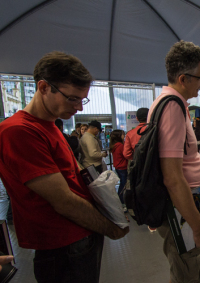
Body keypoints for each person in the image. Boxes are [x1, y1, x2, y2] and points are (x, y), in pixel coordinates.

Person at [0, 51, 128, 283]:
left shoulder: (49, 126)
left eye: (83, 99)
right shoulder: (19, 131)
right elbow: (64, 201)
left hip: (80, 237)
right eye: (72, 98)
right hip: (63, 244)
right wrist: (110, 228)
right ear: (43, 87)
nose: (79, 108)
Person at [152, 40, 200, 283]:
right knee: (187, 273)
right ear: (183, 79)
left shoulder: (172, 105)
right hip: (180, 207)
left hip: (183, 205)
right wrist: (198, 228)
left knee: (191, 268)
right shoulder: (172, 107)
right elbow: (172, 177)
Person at [110, 130, 128, 210]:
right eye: (123, 134)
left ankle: (121, 200)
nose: (124, 136)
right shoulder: (120, 145)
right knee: (124, 184)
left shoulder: (115, 145)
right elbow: (126, 155)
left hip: (118, 167)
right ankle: (122, 200)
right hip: (122, 167)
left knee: (122, 183)